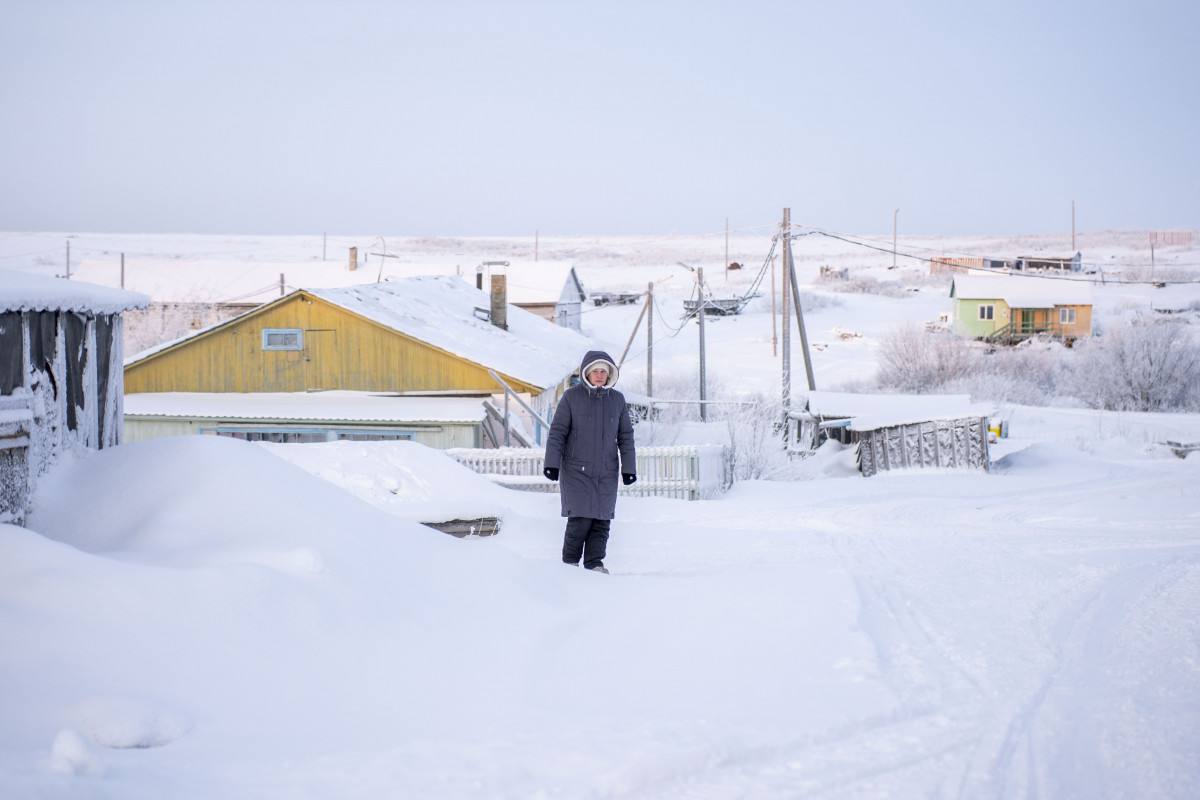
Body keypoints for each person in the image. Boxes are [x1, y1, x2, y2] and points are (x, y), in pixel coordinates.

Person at [543, 349, 636, 573]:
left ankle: (595, 563)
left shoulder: (617, 400)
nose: (599, 375)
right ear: (586, 373)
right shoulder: (571, 397)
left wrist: (629, 469)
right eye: (595, 371)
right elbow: (557, 433)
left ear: (609, 374)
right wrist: (551, 463)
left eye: (604, 371)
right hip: (577, 470)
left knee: (602, 521)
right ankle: (570, 564)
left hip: (606, 471)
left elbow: (626, 436)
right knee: (580, 519)